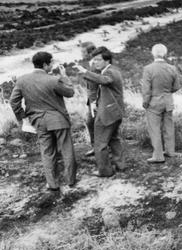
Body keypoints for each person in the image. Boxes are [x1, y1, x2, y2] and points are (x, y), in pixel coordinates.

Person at [10, 52, 76, 191]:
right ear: (45, 64)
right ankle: (70, 180)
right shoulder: (53, 80)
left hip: (38, 121)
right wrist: (64, 77)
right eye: (50, 63)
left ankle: (52, 184)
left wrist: (23, 118)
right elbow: (70, 93)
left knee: (47, 152)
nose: (52, 65)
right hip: (58, 120)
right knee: (66, 149)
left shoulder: (22, 80)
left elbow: (13, 102)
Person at [75, 47, 126, 177]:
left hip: (107, 113)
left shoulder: (110, 73)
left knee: (100, 143)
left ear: (107, 60)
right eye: (94, 59)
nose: (95, 62)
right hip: (114, 112)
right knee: (114, 139)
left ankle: (105, 171)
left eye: (98, 60)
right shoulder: (110, 70)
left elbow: (104, 80)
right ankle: (120, 165)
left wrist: (85, 71)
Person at [141, 43, 182, 163]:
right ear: (165, 54)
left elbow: (146, 89)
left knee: (154, 129)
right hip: (168, 101)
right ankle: (170, 151)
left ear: (153, 54)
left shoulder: (148, 69)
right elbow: (177, 86)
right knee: (168, 127)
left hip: (154, 102)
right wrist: (168, 93)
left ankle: (158, 155)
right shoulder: (172, 68)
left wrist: (145, 102)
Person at [79, 41, 99, 157]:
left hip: (96, 100)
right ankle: (96, 147)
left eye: (83, 52)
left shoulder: (95, 65)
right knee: (91, 123)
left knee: (91, 122)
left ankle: (97, 147)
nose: (82, 54)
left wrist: (93, 101)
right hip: (93, 100)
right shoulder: (93, 63)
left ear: (90, 52)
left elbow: (95, 85)